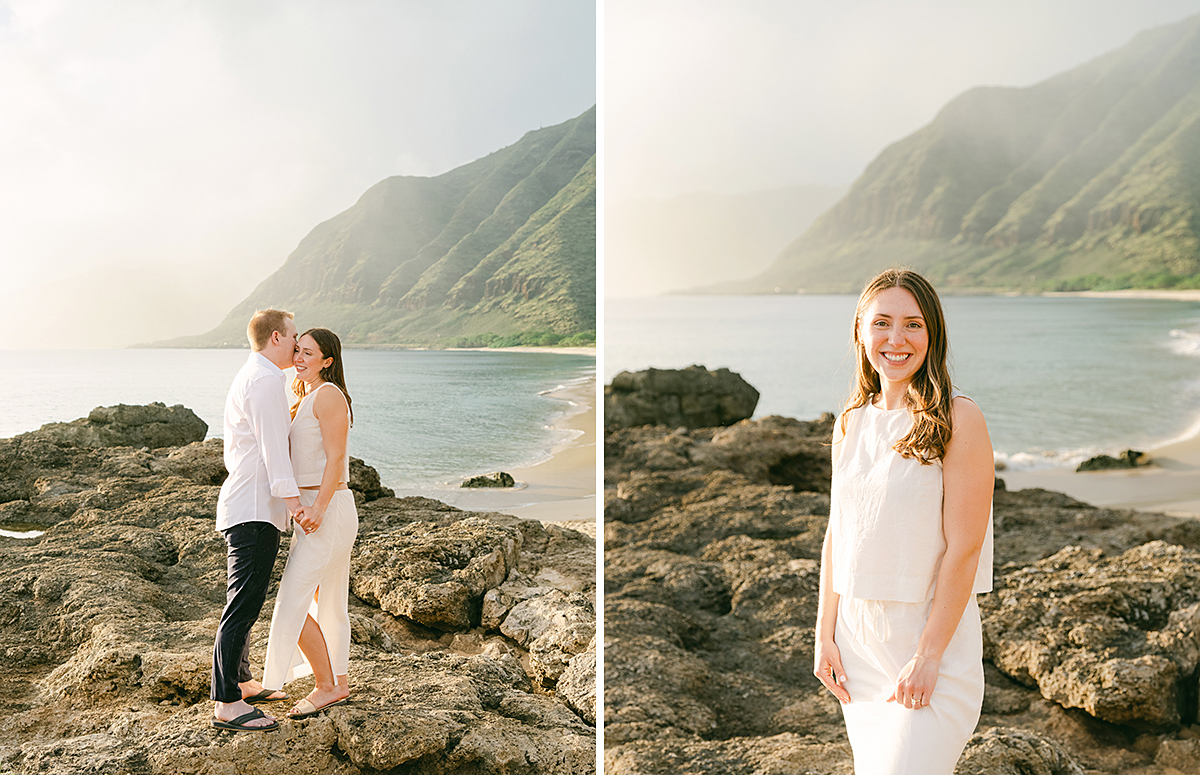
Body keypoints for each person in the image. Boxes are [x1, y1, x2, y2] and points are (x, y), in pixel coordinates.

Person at [813, 268, 994, 774]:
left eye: (913, 324)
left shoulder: (958, 418)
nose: (897, 339)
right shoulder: (850, 421)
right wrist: (824, 635)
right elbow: (837, 534)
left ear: (933, 334)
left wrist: (928, 656)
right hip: (857, 647)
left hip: (929, 646)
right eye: (882, 323)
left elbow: (965, 548)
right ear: (860, 331)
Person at [211, 309, 302, 733]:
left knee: (246, 602)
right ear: (277, 337)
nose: (298, 344)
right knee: (243, 606)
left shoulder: (257, 375)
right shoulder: (264, 381)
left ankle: (242, 681)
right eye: (294, 336)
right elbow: (273, 450)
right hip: (253, 509)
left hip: (251, 506)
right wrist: (296, 504)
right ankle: (227, 703)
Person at [262, 327, 358, 719]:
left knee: (292, 602)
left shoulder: (329, 395)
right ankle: (339, 682)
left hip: (328, 509)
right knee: (328, 602)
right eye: (297, 350)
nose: (298, 358)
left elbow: (336, 457)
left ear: (327, 361)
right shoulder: (304, 396)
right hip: (314, 510)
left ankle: (326, 686)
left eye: (308, 353)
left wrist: (317, 507)